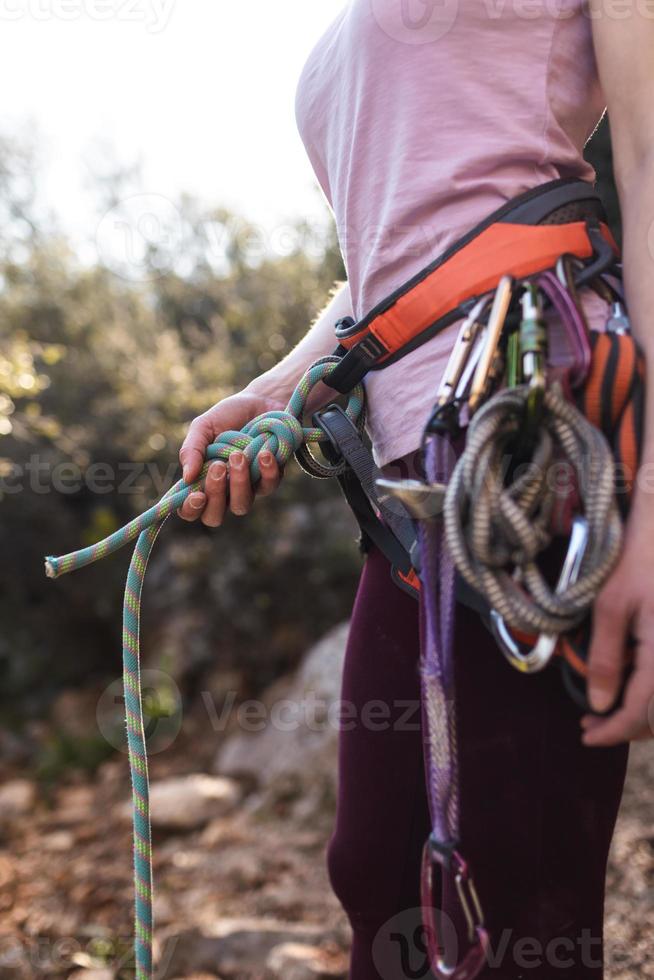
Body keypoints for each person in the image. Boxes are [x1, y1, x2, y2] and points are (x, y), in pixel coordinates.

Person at [178, 3, 654, 977]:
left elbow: (646, 158)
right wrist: (280, 389)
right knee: (378, 873)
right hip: (410, 485)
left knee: (523, 897)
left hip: (528, 443)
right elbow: (387, 265)